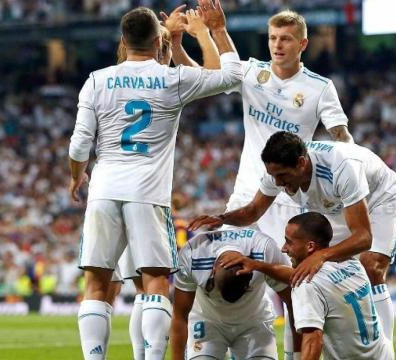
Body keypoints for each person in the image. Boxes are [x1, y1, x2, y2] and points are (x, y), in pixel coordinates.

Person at [168, 6, 354, 357]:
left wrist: (351, 160)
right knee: (227, 276)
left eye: (285, 39)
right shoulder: (253, 73)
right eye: (272, 38)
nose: (277, 45)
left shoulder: (318, 88)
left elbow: (340, 135)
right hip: (246, 197)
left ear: (303, 44)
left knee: (297, 289)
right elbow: (207, 76)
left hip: (293, 199)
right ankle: (209, 346)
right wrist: (180, 44)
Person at [67, 3, 242, 359]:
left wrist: (77, 176)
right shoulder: (170, 79)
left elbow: (79, 143)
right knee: (155, 282)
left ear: (123, 39)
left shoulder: (97, 80)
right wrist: (203, 33)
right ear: (156, 39)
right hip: (148, 193)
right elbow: (225, 76)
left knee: (96, 284)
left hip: (103, 190)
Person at [189, 131, 396, 341]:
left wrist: (321, 256)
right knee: (310, 268)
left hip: (381, 199)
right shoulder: (278, 171)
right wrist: (222, 218)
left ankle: (383, 349)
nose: (277, 183)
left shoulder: (340, 168)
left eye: (282, 176)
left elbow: (363, 237)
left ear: (302, 163)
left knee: (371, 266)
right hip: (340, 207)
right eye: (273, 176)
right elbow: (253, 211)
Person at [220, 212, 394, 359]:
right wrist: (258, 265)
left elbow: (313, 342)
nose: (283, 248)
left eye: (289, 242)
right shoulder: (352, 265)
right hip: (383, 354)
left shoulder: (307, 286)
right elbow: (298, 276)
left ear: (310, 246)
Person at [170, 228, 300, 360]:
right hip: (207, 320)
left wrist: (297, 355)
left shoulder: (265, 249)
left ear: (250, 276)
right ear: (213, 270)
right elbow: (180, 315)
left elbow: (293, 302)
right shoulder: (191, 254)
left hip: (253, 320)